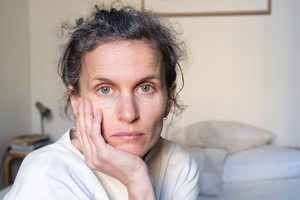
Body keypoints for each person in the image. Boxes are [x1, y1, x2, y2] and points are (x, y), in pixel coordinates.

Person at [5, 4, 200, 200]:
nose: (129, 114)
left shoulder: (177, 165)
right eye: (105, 90)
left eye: (145, 88)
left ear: (169, 97)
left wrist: (137, 178)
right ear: (75, 100)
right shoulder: (46, 176)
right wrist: (136, 179)